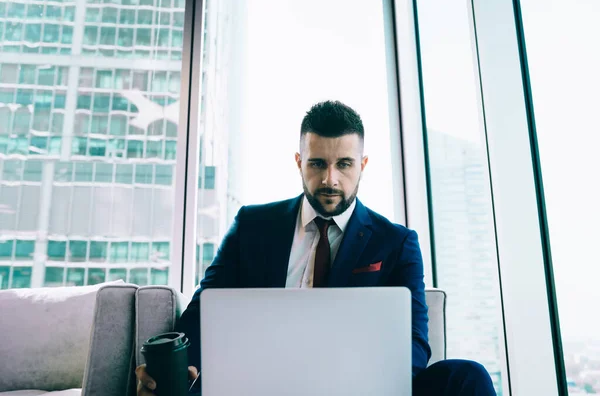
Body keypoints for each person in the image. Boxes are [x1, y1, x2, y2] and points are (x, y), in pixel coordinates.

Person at [136, 100, 496, 395]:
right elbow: (204, 311)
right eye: (318, 164)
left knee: (467, 378)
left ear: (362, 165)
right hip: (261, 385)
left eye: (344, 164)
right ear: (299, 163)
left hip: (360, 389)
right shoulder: (253, 226)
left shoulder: (397, 242)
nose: (330, 179)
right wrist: (172, 370)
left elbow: (415, 344)